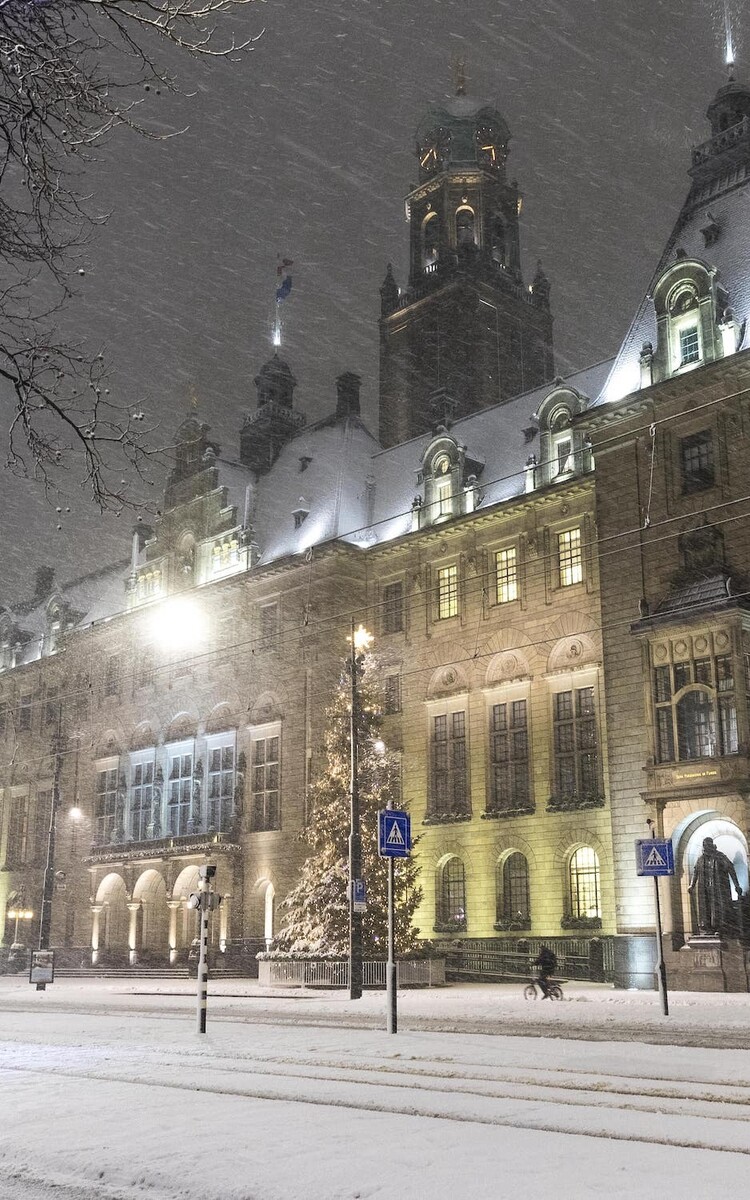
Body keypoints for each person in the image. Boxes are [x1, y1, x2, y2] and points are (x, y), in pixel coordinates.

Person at [688, 836, 743, 936]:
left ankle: (719, 927)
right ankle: (708, 928)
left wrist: (736, 885)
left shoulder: (720, 857)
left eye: (707, 845)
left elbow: (731, 869)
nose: (705, 847)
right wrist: (692, 885)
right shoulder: (700, 859)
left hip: (718, 888)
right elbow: (696, 872)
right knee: (706, 908)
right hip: (705, 889)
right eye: (704, 845)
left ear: (711, 845)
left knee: (718, 907)